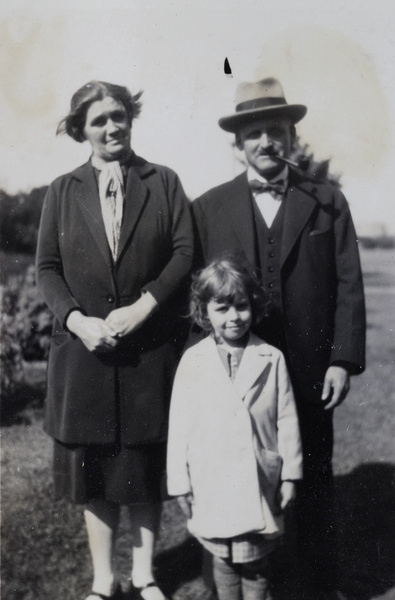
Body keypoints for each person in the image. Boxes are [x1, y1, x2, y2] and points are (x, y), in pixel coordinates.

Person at [192, 78, 366, 599]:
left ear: (291, 136)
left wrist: (342, 360)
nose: (266, 141)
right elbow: (197, 295)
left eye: (276, 131)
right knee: (234, 468)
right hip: (237, 371)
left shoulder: (327, 200)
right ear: (239, 143)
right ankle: (227, 579)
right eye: (255, 133)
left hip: (312, 366)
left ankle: (317, 583)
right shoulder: (208, 207)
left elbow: (349, 283)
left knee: (312, 470)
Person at [35, 80, 194, 600]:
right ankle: (104, 580)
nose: (112, 127)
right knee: (96, 470)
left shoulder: (163, 182)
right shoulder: (61, 191)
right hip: (85, 357)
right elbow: (47, 268)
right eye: (99, 119)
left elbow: (183, 252)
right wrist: (78, 321)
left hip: (149, 352)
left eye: (119, 116)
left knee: (145, 464)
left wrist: (146, 305)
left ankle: (146, 575)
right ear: (80, 128)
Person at [167, 258, 303, 600]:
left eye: (241, 306)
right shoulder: (194, 361)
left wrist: (289, 475)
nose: (233, 317)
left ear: (253, 306)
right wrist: (180, 482)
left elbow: (286, 418)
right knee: (222, 561)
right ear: (204, 311)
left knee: (256, 564)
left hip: (258, 478)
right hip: (212, 479)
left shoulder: (270, 357)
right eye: (222, 308)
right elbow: (180, 424)